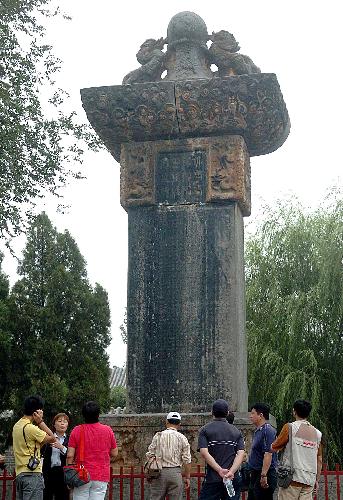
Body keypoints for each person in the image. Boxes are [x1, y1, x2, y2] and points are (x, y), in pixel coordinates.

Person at [271, 399, 322, 500]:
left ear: (294, 411)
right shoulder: (317, 434)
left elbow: (273, 448)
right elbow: (319, 459)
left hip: (291, 479)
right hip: (309, 481)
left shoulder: (289, 428)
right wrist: (316, 480)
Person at [66, 401, 118, 500]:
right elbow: (114, 453)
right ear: (98, 414)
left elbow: (70, 455)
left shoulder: (76, 430)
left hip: (81, 474)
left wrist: (70, 474)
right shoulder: (107, 430)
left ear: (83, 415)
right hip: (101, 474)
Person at [198, 399, 245, 500]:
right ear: (227, 413)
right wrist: (231, 472)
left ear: (212, 412)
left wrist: (219, 470)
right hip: (232, 478)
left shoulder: (205, 430)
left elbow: (204, 453)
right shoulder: (236, 431)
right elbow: (241, 454)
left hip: (212, 478)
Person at [12, 395, 56, 500]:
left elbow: (35, 445)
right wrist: (40, 421)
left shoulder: (17, 426)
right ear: (36, 412)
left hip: (20, 474)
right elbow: (53, 438)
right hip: (32, 474)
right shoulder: (31, 428)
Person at [146, 411, 191, 500]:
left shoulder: (158, 436)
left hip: (158, 472)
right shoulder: (182, 438)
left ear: (166, 422)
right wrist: (187, 477)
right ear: (179, 424)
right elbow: (187, 459)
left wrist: (150, 474)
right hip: (175, 473)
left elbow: (150, 455)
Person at [247, 402, 277, 499]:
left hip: (264, 473)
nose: (250, 416)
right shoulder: (258, 430)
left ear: (261, 415)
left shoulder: (267, 430)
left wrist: (263, 475)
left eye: (252, 413)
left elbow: (268, 453)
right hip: (256, 472)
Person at [42, 413, 70, 500]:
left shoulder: (70, 439)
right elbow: (41, 454)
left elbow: (71, 455)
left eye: (65, 422)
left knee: (63, 496)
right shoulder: (48, 438)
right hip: (49, 472)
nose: (62, 423)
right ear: (54, 424)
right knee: (47, 496)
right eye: (60, 421)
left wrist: (61, 447)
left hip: (63, 473)